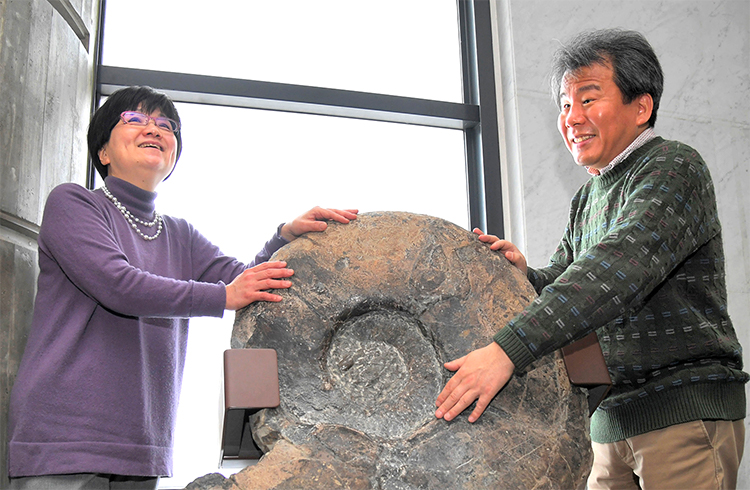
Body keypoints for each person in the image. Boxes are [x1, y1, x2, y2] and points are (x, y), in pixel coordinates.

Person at [435, 29, 747, 489]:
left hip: (680, 415)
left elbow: (618, 269)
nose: (571, 118)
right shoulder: (587, 197)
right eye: (564, 104)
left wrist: (506, 350)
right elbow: (568, 275)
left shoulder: (674, 166)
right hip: (607, 423)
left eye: (588, 99)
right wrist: (526, 277)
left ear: (641, 107)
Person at [7, 85, 358, 489]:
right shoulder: (74, 204)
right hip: (64, 436)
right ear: (103, 152)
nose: (153, 128)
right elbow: (117, 283)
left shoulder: (178, 233)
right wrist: (223, 296)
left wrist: (285, 236)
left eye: (165, 125)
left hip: (142, 443)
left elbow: (245, 279)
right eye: (134, 119)